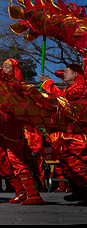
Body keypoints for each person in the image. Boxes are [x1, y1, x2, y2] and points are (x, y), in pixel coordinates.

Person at [0, 59, 44, 204]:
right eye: (3, 67)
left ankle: (33, 193)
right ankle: (20, 190)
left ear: (15, 71)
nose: (4, 69)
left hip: (10, 126)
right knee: (0, 160)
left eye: (7, 67)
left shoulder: (19, 88)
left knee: (15, 158)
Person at [39, 63, 87, 202]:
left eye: (67, 72)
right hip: (66, 134)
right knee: (65, 163)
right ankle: (78, 191)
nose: (64, 74)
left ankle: (85, 191)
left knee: (75, 163)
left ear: (76, 74)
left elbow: (62, 98)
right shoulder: (68, 88)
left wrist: (48, 83)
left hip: (78, 135)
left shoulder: (80, 88)